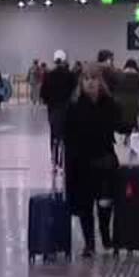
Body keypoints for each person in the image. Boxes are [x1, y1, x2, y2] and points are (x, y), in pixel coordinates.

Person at [63, 65, 121, 257]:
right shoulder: (74, 106)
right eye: (86, 79)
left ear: (100, 82)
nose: (90, 83)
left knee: (105, 202)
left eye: (94, 79)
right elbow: (67, 135)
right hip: (82, 163)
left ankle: (106, 235)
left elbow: (118, 124)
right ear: (81, 82)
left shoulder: (109, 104)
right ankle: (89, 242)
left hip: (104, 160)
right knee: (85, 205)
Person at [39, 50, 78, 166]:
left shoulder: (49, 75)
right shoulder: (70, 75)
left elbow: (43, 93)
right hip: (67, 109)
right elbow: (75, 90)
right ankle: (64, 158)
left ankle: (54, 157)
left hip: (53, 109)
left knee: (54, 133)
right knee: (67, 134)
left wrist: (48, 101)